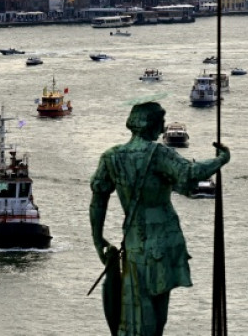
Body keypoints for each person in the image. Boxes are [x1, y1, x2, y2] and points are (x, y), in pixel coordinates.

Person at [89, 102, 230, 336]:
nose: (164, 128)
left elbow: (98, 200)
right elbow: (191, 173)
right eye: (161, 123)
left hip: (134, 241)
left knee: (136, 309)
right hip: (164, 242)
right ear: (150, 124)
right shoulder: (159, 154)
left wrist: (98, 239)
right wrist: (222, 159)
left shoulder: (111, 157)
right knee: (157, 315)